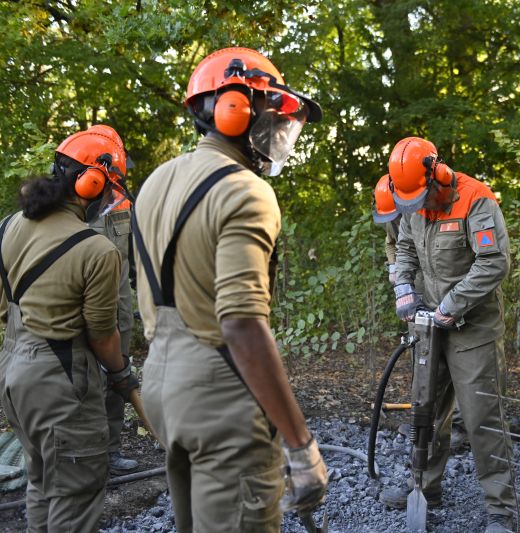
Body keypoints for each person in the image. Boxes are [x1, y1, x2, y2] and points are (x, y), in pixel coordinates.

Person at [132, 47, 327, 532]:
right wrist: (300, 445)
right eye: (271, 113)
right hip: (219, 393)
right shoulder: (245, 189)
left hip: (160, 384)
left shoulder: (155, 182)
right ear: (234, 108)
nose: (279, 133)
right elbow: (240, 323)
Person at [0, 126, 139, 531]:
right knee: (75, 497)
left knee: (42, 482)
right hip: (62, 384)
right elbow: (102, 335)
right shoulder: (97, 250)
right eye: (107, 188)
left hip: (13, 376)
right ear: (91, 181)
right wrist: (122, 376)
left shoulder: (9, 226)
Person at [378, 137, 516, 533]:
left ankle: (501, 509)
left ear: (438, 176)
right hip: (429, 328)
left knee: (482, 418)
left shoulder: (476, 200)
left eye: (422, 199)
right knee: (427, 410)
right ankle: (424, 486)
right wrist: (403, 286)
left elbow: (493, 263)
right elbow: (404, 246)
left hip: (472, 328)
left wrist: (450, 306)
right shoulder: (412, 203)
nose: (417, 208)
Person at [373, 174, 470, 449]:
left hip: (444, 292)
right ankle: (425, 421)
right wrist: (396, 271)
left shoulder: (427, 210)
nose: (393, 221)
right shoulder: (394, 218)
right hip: (415, 292)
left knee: (459, 361)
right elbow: (393, 242)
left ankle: (461, 427)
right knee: (425, 358)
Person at [85, 124, 140, 475]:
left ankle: (112, 450)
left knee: (119, 378)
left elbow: (136, 259)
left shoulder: (125, 203)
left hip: (121, 310)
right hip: (87, 313)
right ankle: (87, 456)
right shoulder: (72, 206)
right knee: (86, 381)